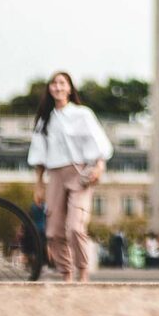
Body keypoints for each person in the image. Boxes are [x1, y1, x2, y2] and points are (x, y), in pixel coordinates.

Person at [28, 72, 113, 282]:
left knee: (75, 227)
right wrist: (38, 185)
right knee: (53, 231)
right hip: (55, 175)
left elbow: (98, 143)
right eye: (54, 83)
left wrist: (99, 167)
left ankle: (83, 272)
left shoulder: (82, 114)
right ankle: (66, 273)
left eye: (62, 83)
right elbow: (39, 155)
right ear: (49, 89)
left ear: (69, 88)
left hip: (80, 174)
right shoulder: (44, 120)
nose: (57, 87)